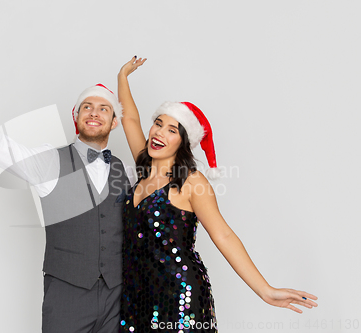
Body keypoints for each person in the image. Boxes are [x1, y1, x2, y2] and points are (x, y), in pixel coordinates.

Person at [0, 25, 133, 333]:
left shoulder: (128, 172)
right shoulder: (50, 162)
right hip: (67, 294)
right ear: (75, 117)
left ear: (115, 122)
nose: (94, 112)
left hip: (118, 297)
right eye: (87, 106)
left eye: (104, 108)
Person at [117, 56, 318, 332]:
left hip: (178, 295)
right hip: (136, 295)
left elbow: (223, 235)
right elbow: (129, 118)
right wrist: (123, 76)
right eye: (158, 123)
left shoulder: (192, 182)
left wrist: (265, 290)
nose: (159, 132)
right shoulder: (143, 167)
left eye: (172, 129)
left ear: (183, 142)